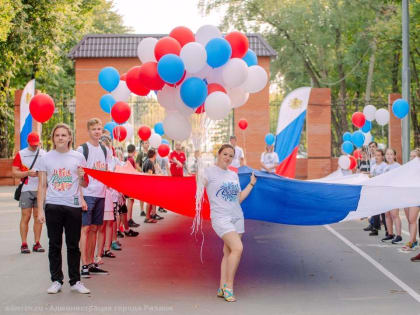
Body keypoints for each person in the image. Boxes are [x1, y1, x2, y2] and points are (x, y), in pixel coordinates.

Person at [37, 123, 90, 294]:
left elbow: (84, 183)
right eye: (57, 135)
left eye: (63, 135)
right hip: (53, 204)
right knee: (54, 244)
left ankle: (75, 281)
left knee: (73, 245)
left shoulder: (78, 157)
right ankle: (56, 280)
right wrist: (40, 210)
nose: (60, 138)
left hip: (72, 205)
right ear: (53, 138)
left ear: (69, 138)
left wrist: (82, 178)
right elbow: (42, 185)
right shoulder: (45, 158)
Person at [204, 144, 256, 302]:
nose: (227, 157)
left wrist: (251, 184)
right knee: (237, 248)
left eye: (230, 156)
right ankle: (229, 287)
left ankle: (221, 287)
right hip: (221, 218)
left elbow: (238, 199)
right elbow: (199, 183)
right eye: (225, 154)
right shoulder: (209, 171)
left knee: (228, 253)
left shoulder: (233, 175)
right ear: (219, 154)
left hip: (237, 216)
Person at [77, 118, 110, 278]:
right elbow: (77, 175)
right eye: (94, 129)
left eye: (99, 129)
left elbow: (109, 172)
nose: (97, 131)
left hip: (101, 194)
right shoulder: (82, 149)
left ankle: (90, 262)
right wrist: (81, 198)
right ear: (88, 131)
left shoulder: (105, 150)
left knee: (96, 229)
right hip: (87, 194)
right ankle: (83, 264)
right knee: (85, 228)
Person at [12, 132, 46, 254]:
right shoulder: (21, 154)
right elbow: (14, 172)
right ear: (28, 143)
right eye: (32, 145)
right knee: (25, 216)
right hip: (26, 189)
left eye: (36, 145)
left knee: (38, 217)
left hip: (40, 189)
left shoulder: (43, 154)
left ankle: (37, 243)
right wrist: (27, 173)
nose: (34, 147)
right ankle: (24, 243)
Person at [380, 148, 402, 244]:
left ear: (394, 156)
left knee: (394, 215)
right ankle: (390, 234)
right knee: (387, 215)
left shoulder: (398, 166)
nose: (389, 156)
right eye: (387, 154)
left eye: (391, 154)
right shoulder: (385, 167)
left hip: (394, 193)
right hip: (385, 194)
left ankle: (399, 235)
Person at [368, 149, 388, 236]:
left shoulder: (385, 166)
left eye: (379, 155)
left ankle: (388, 230)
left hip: (382, 191)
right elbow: (371, 176)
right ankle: (375, 228)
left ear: (382, 157)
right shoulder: (373, 166)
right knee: (375, 210)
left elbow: (385, 177)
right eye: (376, 155)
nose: (376, 157)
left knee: (384, 212)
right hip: (374, 190)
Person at [143, 149, 160, 223]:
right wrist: (157, 175)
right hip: (149, 185)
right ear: (154, 155)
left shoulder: (146, 161)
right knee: (149, 202)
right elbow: (149, 174)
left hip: (147, 184)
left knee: (151, 201)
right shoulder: (150, 162)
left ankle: (150, 215)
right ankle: (147, 217)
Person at [125, 144, 140, 228]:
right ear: (134, 151)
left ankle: (129, 218)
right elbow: (131, 171)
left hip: (129, 183)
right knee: (130, 202)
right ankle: (128, 219)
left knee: (131, 201)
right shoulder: (131, 160)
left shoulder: (127, 158)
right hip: (130, 183)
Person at [136, 140, 149, 216]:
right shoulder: (140, 154)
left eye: (147, 143)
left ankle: (149, 210)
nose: (147, 144)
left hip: (150, 176)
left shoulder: (151, 153)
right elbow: (137, 165)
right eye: (145, 143)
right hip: (143, 176)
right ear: (142, 144)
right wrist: (143, 171)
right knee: (142, 194)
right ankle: (142, 210)